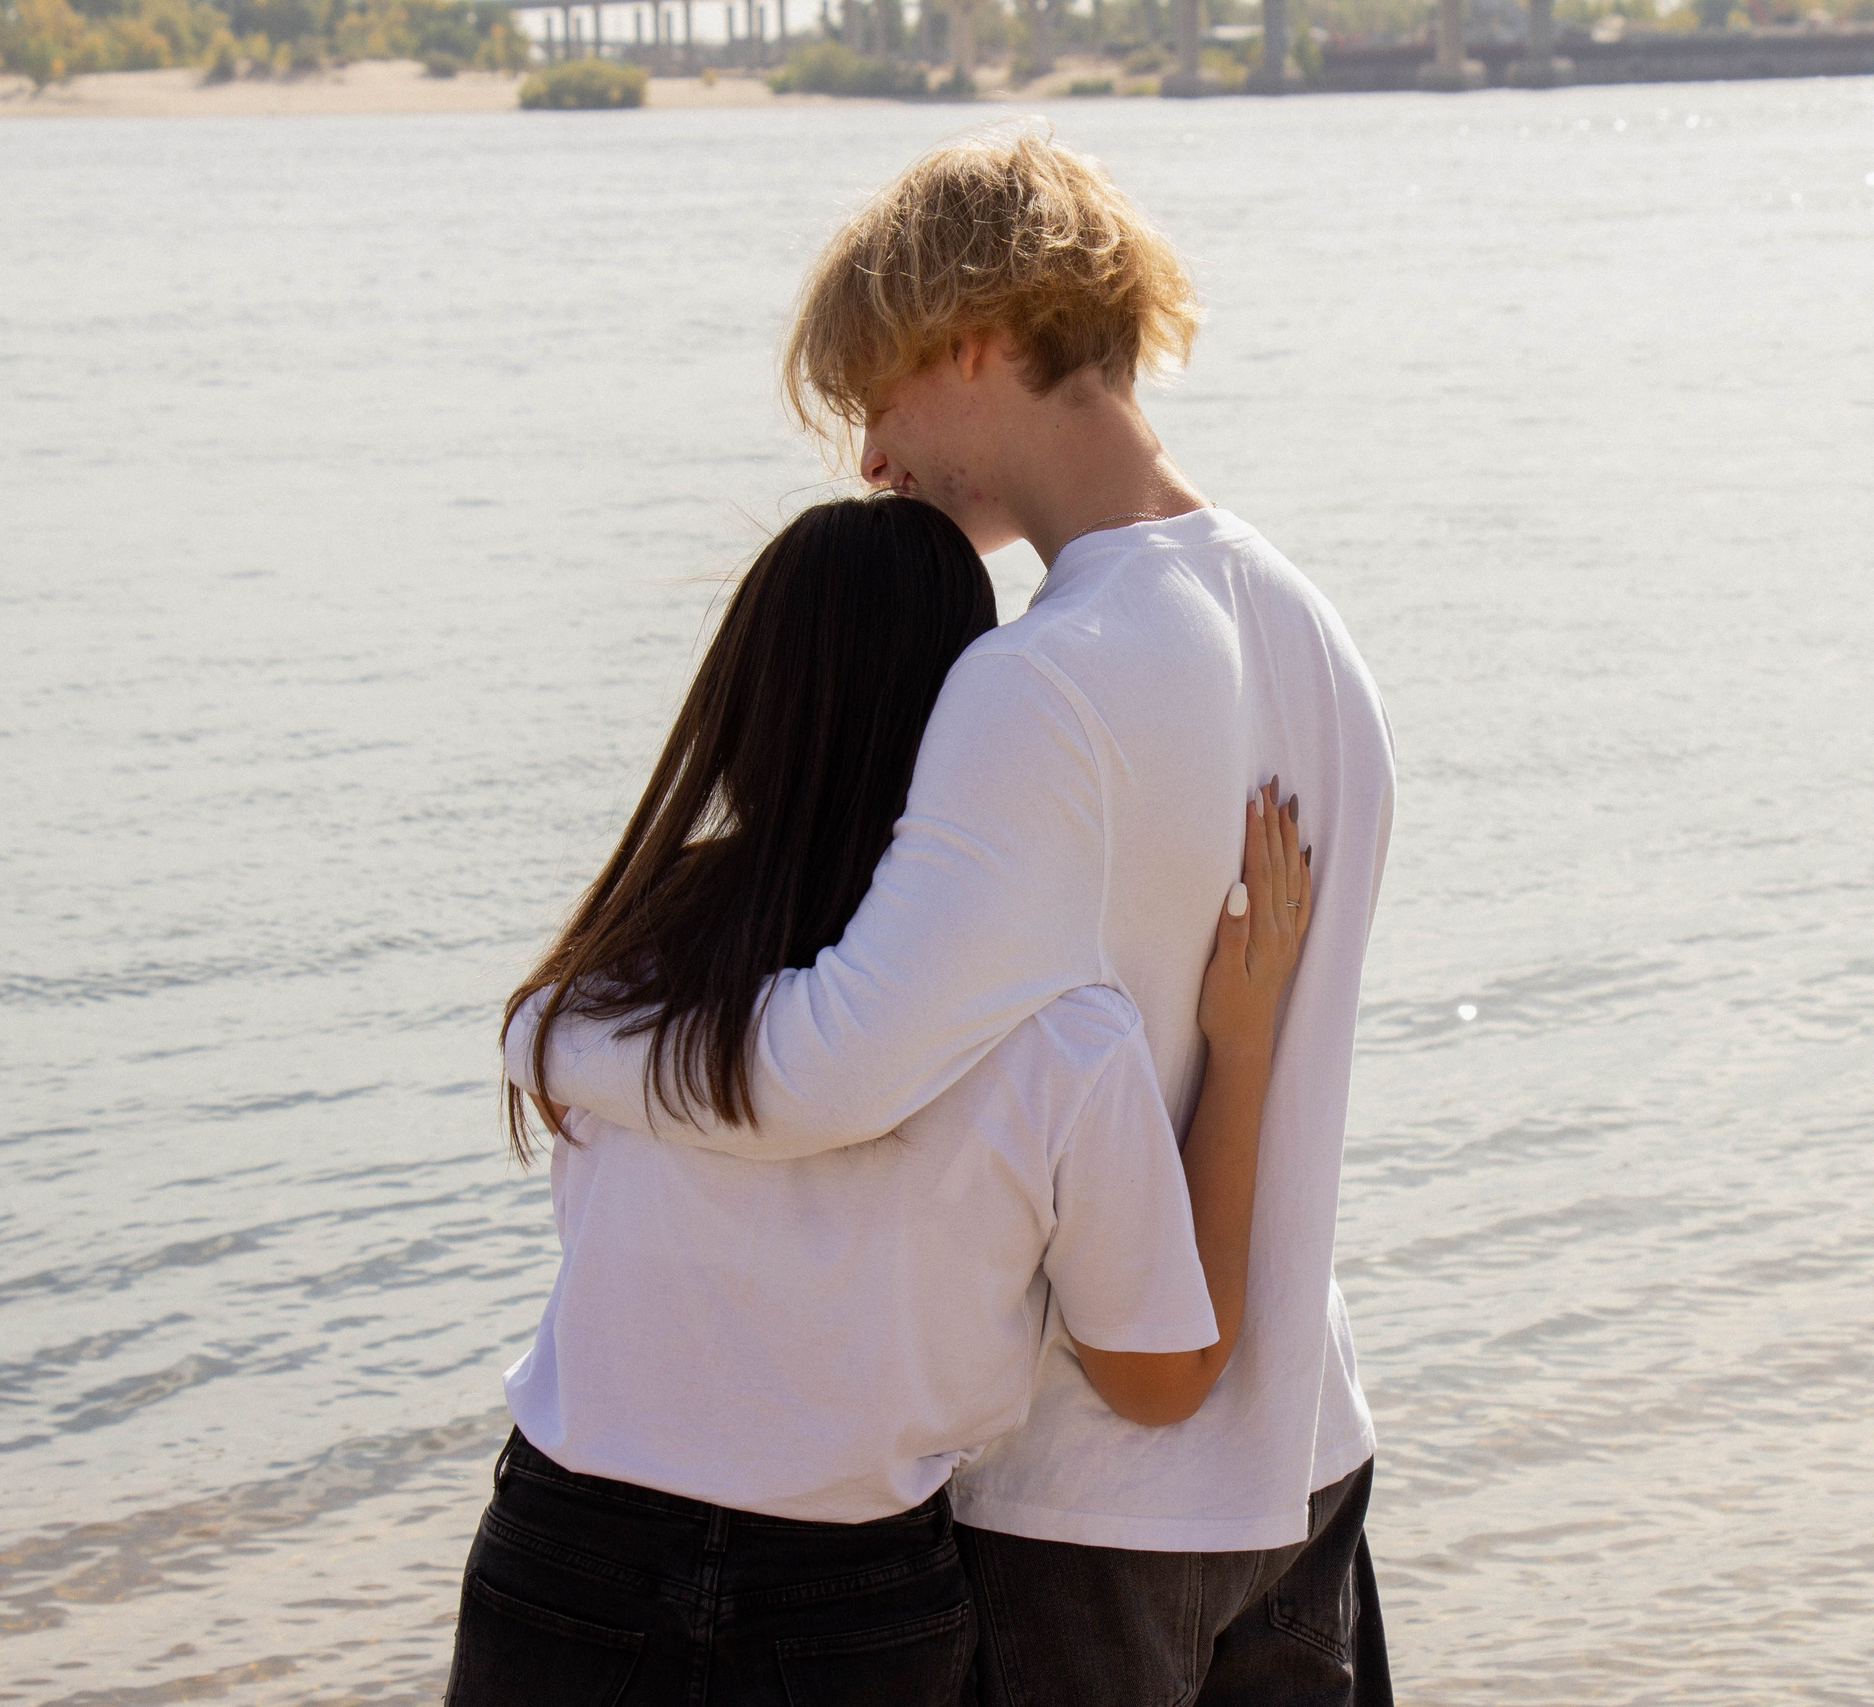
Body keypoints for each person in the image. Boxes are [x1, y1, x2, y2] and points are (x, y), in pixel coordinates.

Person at [524, 130, 1400, 1705]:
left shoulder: (1037, 680)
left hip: (1093, 1512)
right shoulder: (1311, 628)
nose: (871, 460)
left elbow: (819, 1077)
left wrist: (557, 1045)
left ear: (978, 335)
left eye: (882, 397)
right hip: (1307, 1459)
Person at [444, 493, 1319, 1706]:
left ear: (741, 694)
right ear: (966, 717)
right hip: (843, 1605)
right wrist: (1242, 1046)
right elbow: (1159, 1381)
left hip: (559, 1553)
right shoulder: (1055, 1028)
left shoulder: (614, 979)